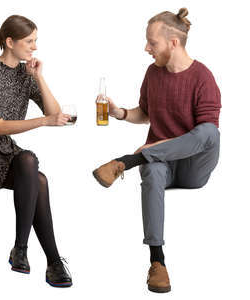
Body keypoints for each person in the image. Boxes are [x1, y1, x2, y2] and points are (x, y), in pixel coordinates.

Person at [93, 8, 221, 293]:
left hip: (192, 168)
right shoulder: (153, 73)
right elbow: (146, 113)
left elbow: (205, 137)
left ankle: (128, 161)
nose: (147, 48)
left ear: (173, 43)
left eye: (153, 43)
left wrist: (151, 149)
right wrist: (121, 112)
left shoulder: (203, 77)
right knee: (151, 168)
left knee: (210, 131)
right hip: (159, 163)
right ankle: (157, 262)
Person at [0, 15, 72, 288]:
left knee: (38, 177)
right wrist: (44, 121)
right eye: (29, 41)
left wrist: (39, 78)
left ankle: (47, 260)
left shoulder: (26, 74)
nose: (34, 47)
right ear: (10, 42)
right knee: (29, 160)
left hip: (7, 152)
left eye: (35, 41)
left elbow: (55, 113)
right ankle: (29, 251)